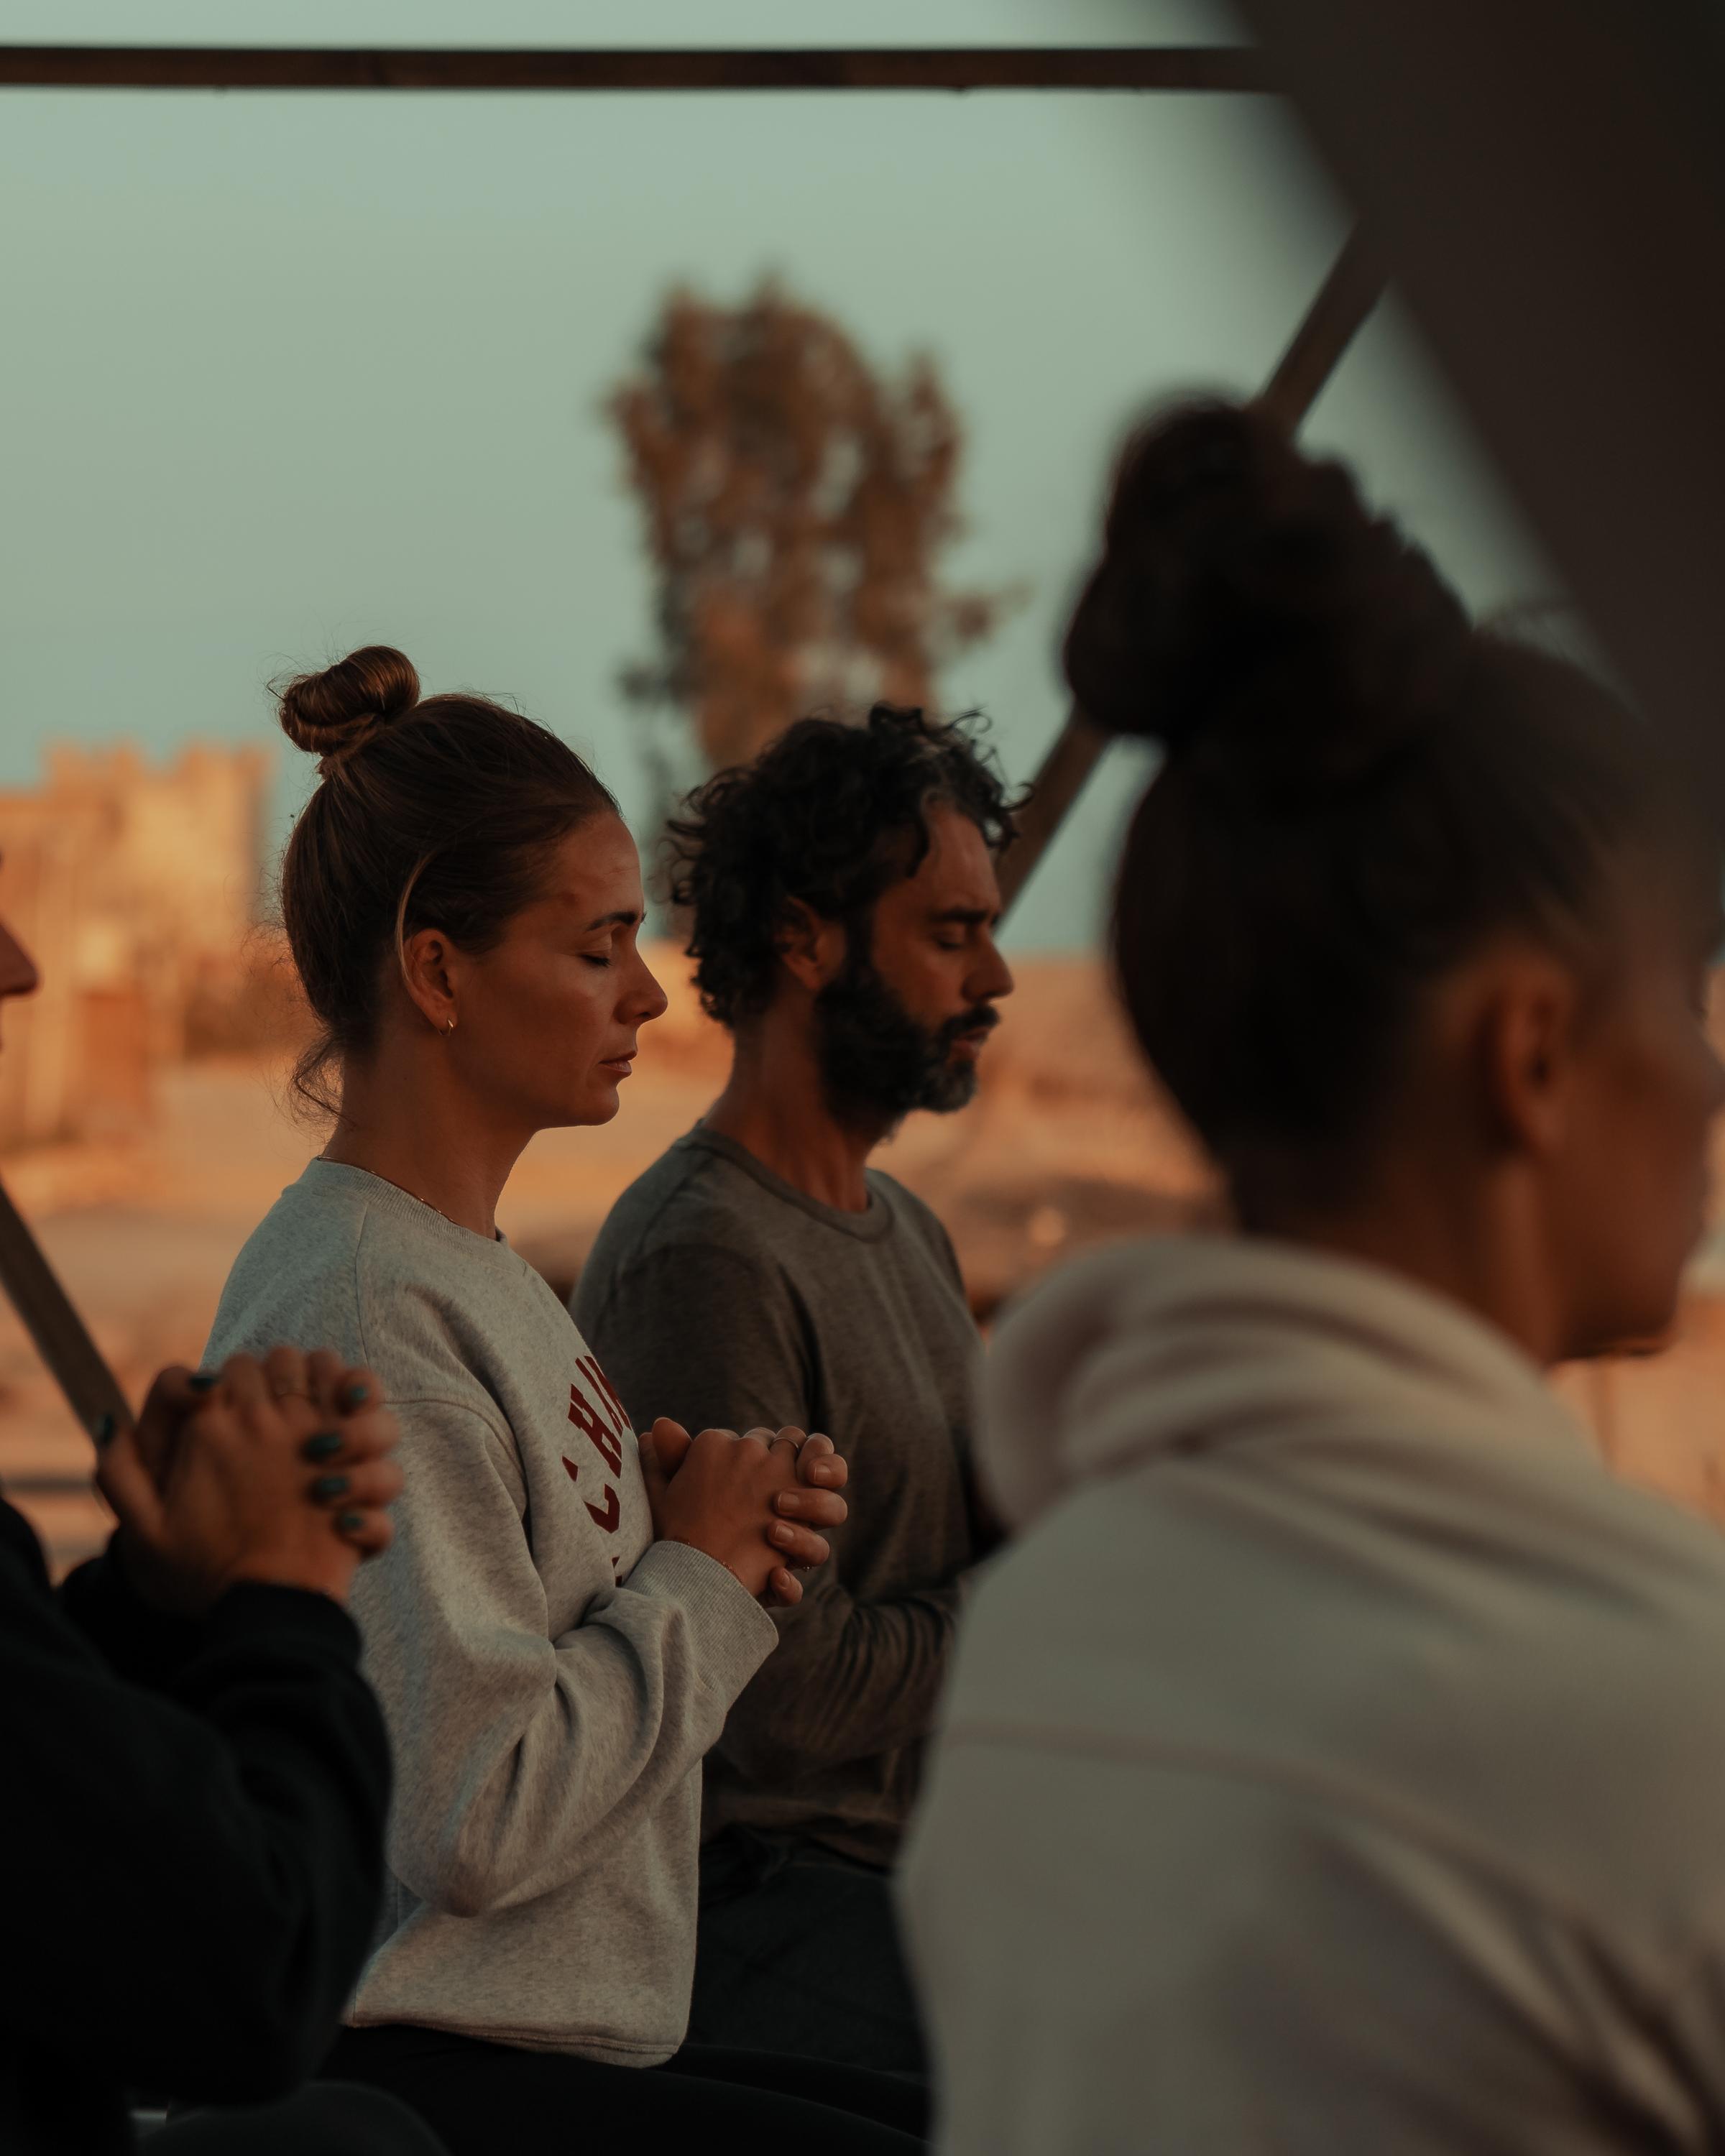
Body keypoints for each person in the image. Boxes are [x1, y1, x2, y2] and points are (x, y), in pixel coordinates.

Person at [900, 400, 1725, 2155]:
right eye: (1691, 992)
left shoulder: (1048, 1631)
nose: (1715, 1073)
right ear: (1535, 1054)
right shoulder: (1657, 1711)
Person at [203, 648, 927, 2155]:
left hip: (564, 2040)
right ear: (438, 970)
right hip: (438, 2063)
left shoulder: (465, 1273)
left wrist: (668, 1533)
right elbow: (474, 1815)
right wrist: (698, 1579)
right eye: (596, 949)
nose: (650, 992)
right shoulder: (363, 1307)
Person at [574, 703, 1016, 2075]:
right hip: (760, 1901)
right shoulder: (706, 1254)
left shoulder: (908, 1230)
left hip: (923, 1877)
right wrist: (1040, 1608)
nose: (996, 973)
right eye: (950, 934)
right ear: (806, 940)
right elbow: (783, 1699)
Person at [0, 885, 443, 2155]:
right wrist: (285, 1598)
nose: (24, 964)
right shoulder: (358, 1277)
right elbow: (259, 1975)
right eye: (597, 943)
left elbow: (46, 1776)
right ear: (435, 975)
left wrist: (154, 1597)